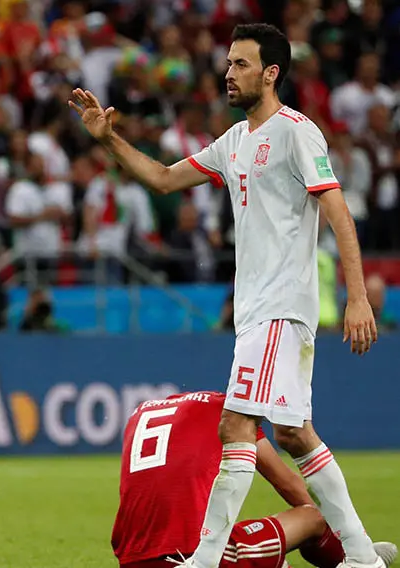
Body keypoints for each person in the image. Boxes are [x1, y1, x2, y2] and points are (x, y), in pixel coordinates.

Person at [71, 23, 382, 568]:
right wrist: (107, 139)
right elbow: (165, 179)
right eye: (228, 63)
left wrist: (356, 296)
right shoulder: (234, 141)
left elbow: (337, 211)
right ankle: (361, 556)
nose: (227, 73)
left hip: (281, 307)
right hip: (256, 312)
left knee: (236, 425)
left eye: (240, 64)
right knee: (293, 431)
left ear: (270, 73)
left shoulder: (296, 132)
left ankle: (206, 558)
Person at [112, 391, 398, 568]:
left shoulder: (140, 413)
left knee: (274, 559)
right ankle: (359, 559)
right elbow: (287, 484)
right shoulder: (229, 412)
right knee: (313, 518)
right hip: (192, 556)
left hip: (132, 558)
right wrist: (335, 532)